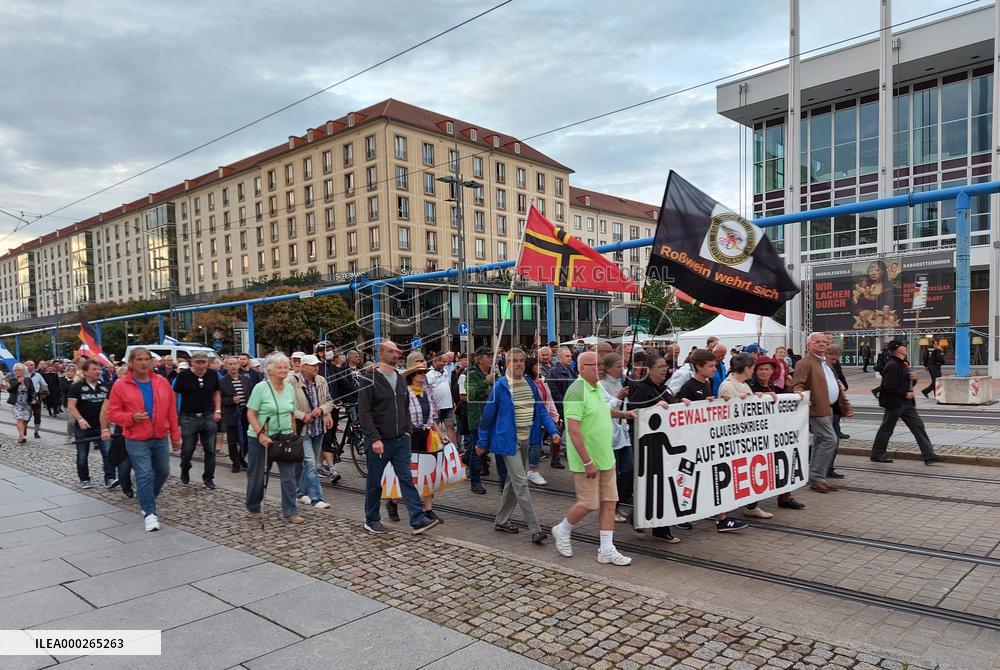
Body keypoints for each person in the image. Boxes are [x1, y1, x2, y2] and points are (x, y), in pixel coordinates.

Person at [550, 352, 635, 565]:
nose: (599, 368)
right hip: (587, 460)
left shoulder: (597, 387)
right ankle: (562, 529)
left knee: (609, 501)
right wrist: (587, 461)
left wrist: (626, 414)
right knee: (588, 503)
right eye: (593, 365)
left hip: (605, 456)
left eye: (600, 364)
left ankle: (606, 549)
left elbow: (604, 411)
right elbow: (573, 430)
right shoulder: (577, 390)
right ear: (581, 368)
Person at [477, 348, 560, 544]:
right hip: (508, 442)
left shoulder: (530, 384)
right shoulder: (500, 387)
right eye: (514, 361)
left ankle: (502, 520)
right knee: (521, 483)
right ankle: (535, 529)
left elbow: (541, 410)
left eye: (522, 361)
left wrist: (554, 430)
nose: (519, 364)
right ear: (507, 364)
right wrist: (482, 443)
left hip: (527, 440)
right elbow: (487, 419)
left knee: (513, 483)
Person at [358, 340, 438, 535]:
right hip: (379, 441)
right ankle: (372, 519)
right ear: (381, 353)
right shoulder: (369, 379)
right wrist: (374, 438)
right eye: (392, 351)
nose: (397, 354)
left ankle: (418, 519)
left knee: (407, 479)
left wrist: (407, 430)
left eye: (398, 351)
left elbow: (404, 407)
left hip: (401, 439)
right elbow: (365, 413)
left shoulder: (400, 378)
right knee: (375, 482)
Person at [107, 348, 180, 532]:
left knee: (163, 472)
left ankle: (145, 496)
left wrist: (175, 435)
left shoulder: (162, 382)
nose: (144, 363)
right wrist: (131, 417)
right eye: (139, 359)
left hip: (160, 437)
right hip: (136, 438)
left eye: (147, 359)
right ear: (131, 363)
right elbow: (113, 413)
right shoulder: (120, 385)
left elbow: (171, 410)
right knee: (145, 474)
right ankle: (150, 513)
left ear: (153, 362)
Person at [675, 349, 748, 531]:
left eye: (714, 365)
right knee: (689, 479)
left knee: (709, 478)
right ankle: (682, 514)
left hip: (703, 441)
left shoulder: (706, 384)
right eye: (710, 366)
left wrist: (716, 402)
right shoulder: (689, 386)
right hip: (691, 443)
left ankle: (720, 517)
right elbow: (677, 407)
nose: (714, 369)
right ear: (698, 367)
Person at [624, 354, 681, 542]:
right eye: (660, 367)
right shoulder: (641, 389)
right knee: (650, 485)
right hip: (647, 446)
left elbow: (675, 407)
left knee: (660, 486)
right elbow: (633, 414)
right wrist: (655, 407)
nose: (665, 369)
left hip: (664, 446)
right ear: (649, 369)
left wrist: (685, 404)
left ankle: (657, 526)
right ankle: (645, 522)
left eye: (665, 366)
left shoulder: (664, 389)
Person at [244, 352, 305, 525]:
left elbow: (291, 412)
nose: (284, 370)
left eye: (286, 367)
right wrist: (260, 434)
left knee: (288, 476)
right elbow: (251, 413)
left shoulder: (290, 388)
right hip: (261, 438)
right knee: (258, 476)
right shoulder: (260, 388)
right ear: (269, 370)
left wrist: (293, 433)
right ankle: (253, 506)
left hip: (284, 437)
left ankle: (290, 511)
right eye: (280, 367)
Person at [791, 332, 854, 493]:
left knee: (820, 442)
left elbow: (836, 386)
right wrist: (800, 394)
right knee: (830, 440)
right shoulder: (804, 363)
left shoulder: (825, 363)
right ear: (809, 345)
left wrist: (845, 405)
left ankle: (815, 477)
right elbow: (797, 383)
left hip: (829, 408)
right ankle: (818, 477)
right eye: (817, 342)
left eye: (824, 342)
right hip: (816, 408)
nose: (821, 344)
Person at [872, 342, 941, 466]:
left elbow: (907, 384)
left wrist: (913, 379)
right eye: (903, 346)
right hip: (894, 403)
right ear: (898, 350)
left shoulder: (903, 364)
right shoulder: (892, 365)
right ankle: (877, 454)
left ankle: (929, 455)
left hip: (906, 403)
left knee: (918, 426)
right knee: (887, 429)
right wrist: (904, 393)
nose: (906, 348)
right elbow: (889, 386)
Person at [404, 361, 450, 523]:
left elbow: (432, 419)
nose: (423, 375)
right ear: (412, 376)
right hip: (410, 437)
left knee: (428, 473)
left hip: (427, 436)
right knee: (411, 475)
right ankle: (393, 501)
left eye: (424, 372)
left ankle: (428, 509)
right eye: (420, 373)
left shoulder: (426, 392)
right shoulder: (405, 393)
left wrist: (440, 434)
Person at [172, 351, 222, 490]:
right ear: (192, 363)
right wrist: (174, 412)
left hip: (208, 416)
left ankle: (208, 478)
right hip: (188, 417)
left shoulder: (212, 375)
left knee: (210, 450)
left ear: (207, 363)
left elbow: (216, 392)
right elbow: (174, 394)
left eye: (203, 362)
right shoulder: (183, 376)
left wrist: (218, 410)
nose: (201, 365)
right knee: (188, 449)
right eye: (198, 362)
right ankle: (185, 468)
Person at [289, 354, 334, 510]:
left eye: (317, 365)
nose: (316, 367)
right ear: (303, 366)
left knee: (311, 464)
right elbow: (287, 406)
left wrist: (322, 410)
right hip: (303, 429)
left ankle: (300, 493)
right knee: (310, 462)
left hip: (318, 428)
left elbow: (329, 401)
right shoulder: (292, 381)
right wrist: (303, 416)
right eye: (312, 365)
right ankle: (316, 498)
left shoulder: (321, 380)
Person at [66, 360, 116, 489]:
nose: (97, 372)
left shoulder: (105, 386)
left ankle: (110, 478)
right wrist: (80, 419)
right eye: (94, 369)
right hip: (83, 427)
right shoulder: (76, 387)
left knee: (108, 452)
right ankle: (85, 479)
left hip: (102, 426)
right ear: (85, 371)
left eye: (99, 369)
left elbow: (110, 405)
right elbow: (71, 406)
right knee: (82, 455)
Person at [467, 347, 501, 486]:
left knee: (495, 449)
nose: (492, 359)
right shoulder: (472, 375)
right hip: (479, 418)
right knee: (477, 452)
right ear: (480, 359)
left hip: (494, 418)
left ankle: (502, 479)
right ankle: (475, 482)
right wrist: (485, 382)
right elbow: (471, 395)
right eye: (489, 356)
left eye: (493, 356)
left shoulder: (496, 375)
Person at [526, 358, 558, 486]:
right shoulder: (527, 383)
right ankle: (529, 470)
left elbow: (547, 399)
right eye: (536, 365)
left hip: (540, 418)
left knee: (536, 445)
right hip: (528, 421)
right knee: (532, 445)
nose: (539, 366)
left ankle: (532, 470)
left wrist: (554, 417)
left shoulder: (541, 381)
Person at [546, 346, 578, 469]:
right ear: (559, 358)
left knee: (570, 432)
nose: (570, 358)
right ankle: (555, 459)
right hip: (561, 407)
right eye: (567, 356)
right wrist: (563, 404)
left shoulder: (571, 370)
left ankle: (567, 455)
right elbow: (553, 392)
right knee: (558, 433)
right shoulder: (554, 372)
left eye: (570, 356)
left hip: (571, 406)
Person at [219, 356, 252, 473]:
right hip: (231, 414)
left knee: (246, 439)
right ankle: (235, 462)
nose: (233, 366)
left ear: (238, 365)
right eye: (230, 364)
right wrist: (231, 400)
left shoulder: (245, 379)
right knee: (233, 441)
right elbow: (220, 399)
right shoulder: (222, 381)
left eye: (235, 364)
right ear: (226, 366)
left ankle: (242, 457)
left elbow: (251, 394)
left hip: (245, 414)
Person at [426, 353, 458, 447]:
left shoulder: (445, 372)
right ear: (436, 361)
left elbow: (448, 386)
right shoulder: (429, 374)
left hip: (448, 404)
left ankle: (454, 449)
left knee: (450, 426)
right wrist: (433, 406)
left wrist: (452, 401)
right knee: (435, 429)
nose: (445, 363)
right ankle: (437, 448)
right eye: (443, 361)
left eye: (446, 361)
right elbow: (429, 391)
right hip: (436, 406)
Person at [826, 345, 850, 444]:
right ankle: (834, 433)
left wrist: (843, 383)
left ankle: (836, 432)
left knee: (836, 414)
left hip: (835, 397)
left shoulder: (833, 362)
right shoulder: (821, 363)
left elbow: (838, 373)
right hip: (824, 401)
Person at [7, 363, 36, 443]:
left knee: (24, 421)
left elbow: (32, 390)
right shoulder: (13, 379)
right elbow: (10, 390)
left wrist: (33, 399)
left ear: (23, 371)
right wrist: (18, 383)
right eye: (15, 370)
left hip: (26, 404)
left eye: (19, 370)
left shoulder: (28, 379)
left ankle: (21, 435)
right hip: (16, 404)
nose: (16, 372)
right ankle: (22, 436)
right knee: (19, 419)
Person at [25, 361, 47, 439]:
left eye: (34, 365)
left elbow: (44, 385)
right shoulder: (23, 375)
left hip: (36, 397)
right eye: (31, 365)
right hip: (26, 397)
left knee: (37, 415)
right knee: (27, 415)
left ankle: (36, 432)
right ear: (26, 366)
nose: (33, 366)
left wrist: (43, 395)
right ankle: (24, 428)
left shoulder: (38, 375)